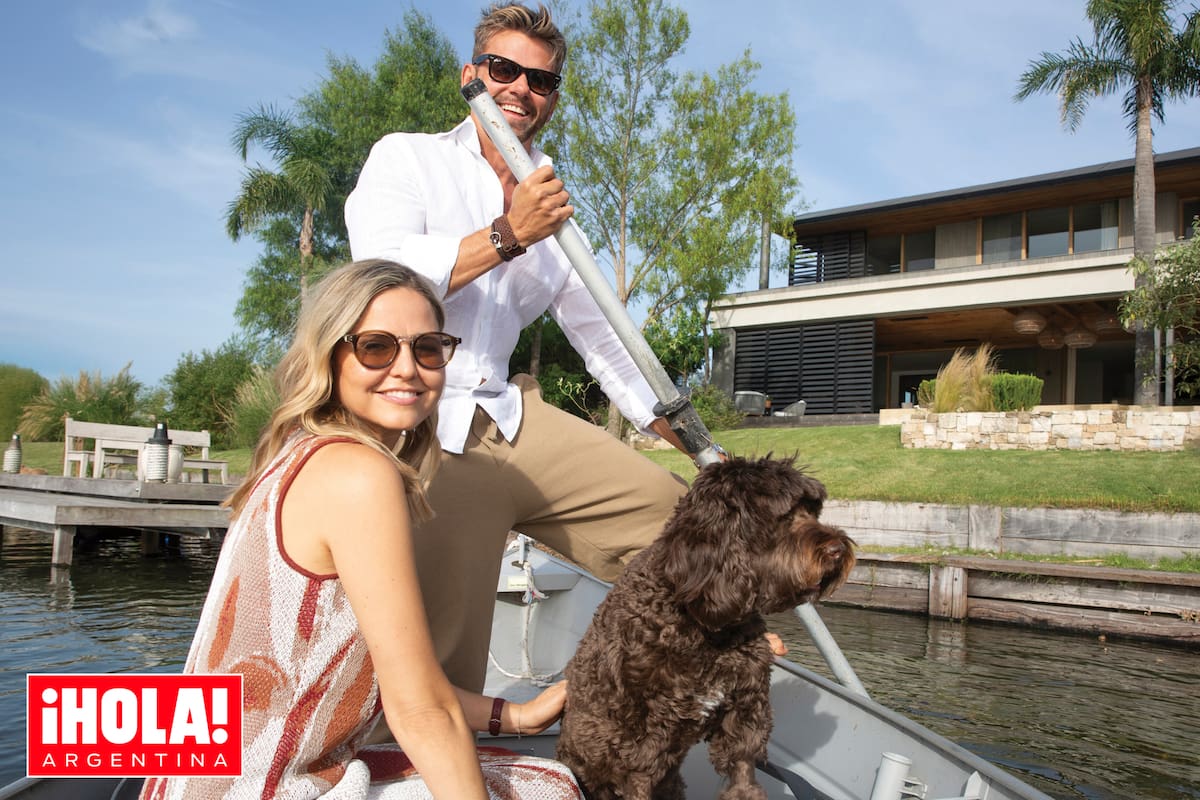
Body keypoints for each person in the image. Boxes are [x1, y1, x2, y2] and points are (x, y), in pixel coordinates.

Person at [344, 2, 694, 694]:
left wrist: (698, 445)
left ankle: (679, 664)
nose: (521, 90)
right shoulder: (407, 157)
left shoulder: (556, 210)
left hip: (513, 417)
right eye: (504, 69)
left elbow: (609, 345)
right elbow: (381, 273)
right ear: (471, 75)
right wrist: (508, 234)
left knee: (680, 519)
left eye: (542, 80)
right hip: (428, 429)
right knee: (448, 660)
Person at [140, 260, 580, 799]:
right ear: (331, 355)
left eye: (427, 348)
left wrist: (516, 717)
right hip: (262, 789)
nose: (407, 369)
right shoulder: (359, 475)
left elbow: (409, 684)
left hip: (194, 783)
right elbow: (416, 708)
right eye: (376, 347)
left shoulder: (292, 456)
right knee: (547, 787)